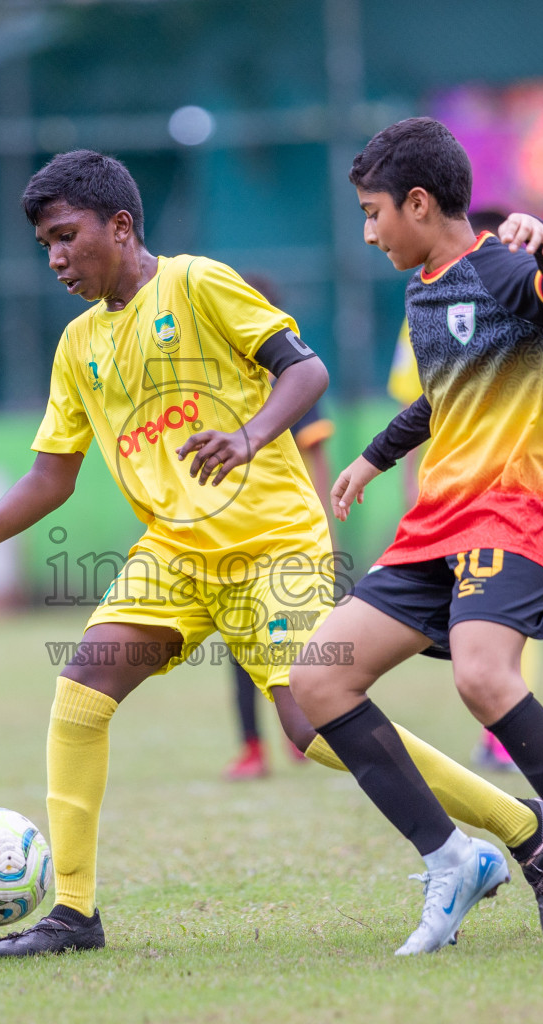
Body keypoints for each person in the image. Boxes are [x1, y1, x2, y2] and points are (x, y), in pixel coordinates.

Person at [0, 149, 543, 959]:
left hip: (271, 544)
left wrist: (247, 435)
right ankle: (74, 914)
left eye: (66, 236)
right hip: (175, 552)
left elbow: (305, 372)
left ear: (120, 227)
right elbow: (51, 476)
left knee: (313, 728)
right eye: (45, 245)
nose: (55, 257)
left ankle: (523, 828)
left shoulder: (196, 283)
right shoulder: (78, 345)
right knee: (84, 681)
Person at [291, 117, 543, 954]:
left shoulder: (503, 266)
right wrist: (372, 459)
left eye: (372, 210)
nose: (367, 229)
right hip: (438, 521)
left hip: (516, 506)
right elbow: (441, 396)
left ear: (418, 203)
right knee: (317, 683)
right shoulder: (424, 287)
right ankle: (452, 859)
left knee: (482, 676)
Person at [386, 209, 528, 775]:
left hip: (509, 498)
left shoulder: (518, 296)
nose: (372, 233)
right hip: (448, 497)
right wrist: (405, 486)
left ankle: (502, 735)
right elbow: (417, 404)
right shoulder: (420, 304)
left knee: (500, 616)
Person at [223, 275, 329, 780]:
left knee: (291, 643)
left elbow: (316, 451)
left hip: (286, 533)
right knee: (240, 648)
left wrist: (324, 515)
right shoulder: (219, 378)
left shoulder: (290, 374)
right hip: (228, 533)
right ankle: (252, 748)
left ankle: (301, 735)